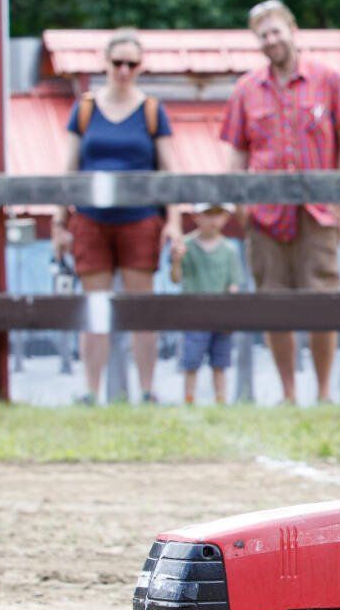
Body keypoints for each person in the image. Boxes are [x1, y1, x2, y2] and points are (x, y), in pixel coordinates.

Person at [218, 0, 340, 404]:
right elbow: (237, 151)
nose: (270, 40)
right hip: (264, 214)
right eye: (262, 35)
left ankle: (325, 391)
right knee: (273, 301)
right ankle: (288, 392)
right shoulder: (247, 88)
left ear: (292, 31)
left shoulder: (327, 79)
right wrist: (239, 202)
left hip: (318, 209)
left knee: (323, 299)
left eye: (276, 31)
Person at [52, 29, 179, 404]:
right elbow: (69, 168)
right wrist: (59, 222)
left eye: (131, 63)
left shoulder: (153, 111)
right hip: (91, 219)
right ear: (104, 64)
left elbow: (169, 172)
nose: (124, 70)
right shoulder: (86, 108)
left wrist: (173, 222)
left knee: (141, 308)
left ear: (140, 67)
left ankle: (147, 389)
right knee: (95, 307)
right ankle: (92, 390)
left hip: (140, 218)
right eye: (117, 62)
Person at [170, 202, 245, 405]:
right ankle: (189, 400)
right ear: (196, 217)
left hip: (220, 318)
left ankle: (221, 400)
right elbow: (176, 278)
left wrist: (230, 315)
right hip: (194, 316)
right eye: (207, 214)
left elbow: (234, 285)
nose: (213, 220)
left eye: (217, 214)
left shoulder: (229, 249)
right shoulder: (186, 246)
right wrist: (176, 260)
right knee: (191, 362)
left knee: (220, 363)